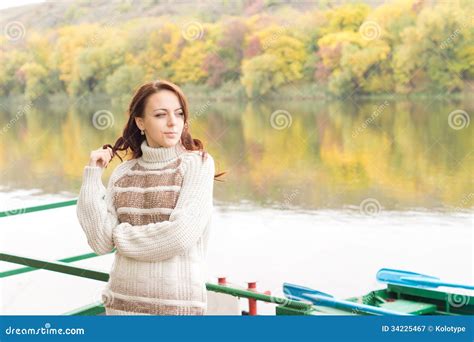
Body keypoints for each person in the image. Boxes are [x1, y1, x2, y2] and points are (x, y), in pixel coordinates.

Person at [76, 80, 224, 315]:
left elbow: (179, 236)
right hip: (120, 307)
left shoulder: (197, 164)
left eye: (179, 113)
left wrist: (120, 236)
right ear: (140, 122)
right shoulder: (123, 173)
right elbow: (100, 242)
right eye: (160, 115)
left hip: (177, 310)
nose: (173, 122)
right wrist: (93, 174)